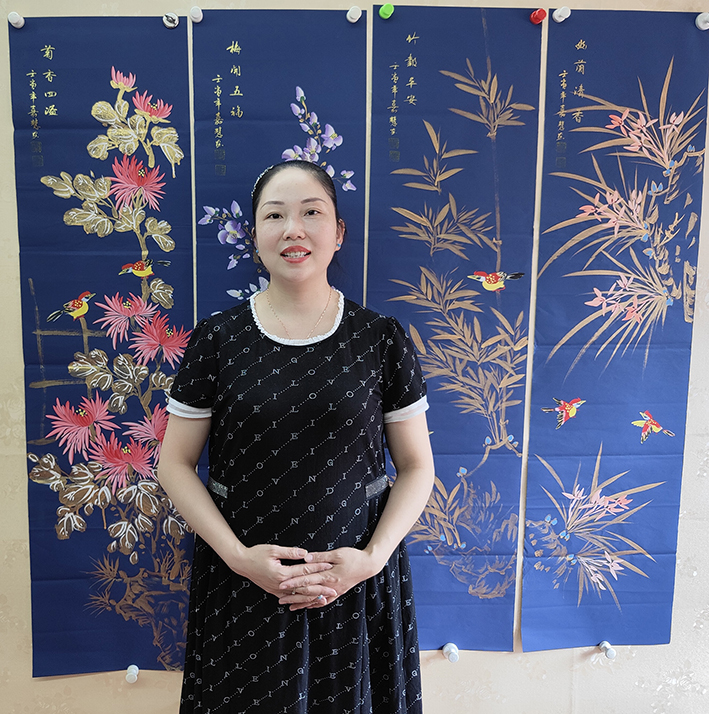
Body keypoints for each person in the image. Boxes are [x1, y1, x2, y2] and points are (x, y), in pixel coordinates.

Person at [158, 160, 435, 713]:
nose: (294, 230)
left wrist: (370, 560)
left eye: (312, 213)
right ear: (254, 236)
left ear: (338, 232)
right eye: (274, 216)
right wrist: (239, 558)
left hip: (354, 584)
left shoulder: (381, 339)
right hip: (244, 583)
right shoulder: (216, 340)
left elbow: (416, 466)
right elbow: (174, 464)